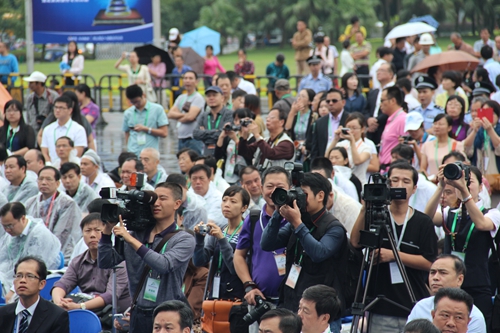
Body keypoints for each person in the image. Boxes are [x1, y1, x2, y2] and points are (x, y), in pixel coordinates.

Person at [350, 162, 438, 331]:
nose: (399, 185)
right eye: (394, 180)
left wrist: (392, 255)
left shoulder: (423, 221)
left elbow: (429, 262)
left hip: (412, 305)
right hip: (380, 305)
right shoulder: (375, 216)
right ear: (387, 185)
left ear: (414, 189)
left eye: (406, 181)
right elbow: (355, 242)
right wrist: (364, 208)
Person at [99, 182, 195, 333]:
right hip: (138, 312)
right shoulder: (137, 235)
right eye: (154, 199)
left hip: (168, 314)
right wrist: (106, 232)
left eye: (163, 198)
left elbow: (164, 264)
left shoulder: (184, 238)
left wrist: (130, 239)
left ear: (177, 203)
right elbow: (105, 262)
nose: (156, 203)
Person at [261, 172, 347, 316]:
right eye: (296, 193)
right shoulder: (298, 222)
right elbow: (267, 244)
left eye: (304, 194)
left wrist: (297, 223)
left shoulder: (334, 228)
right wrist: (277, 213)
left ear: (320, 196)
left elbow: (318, 253)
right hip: (290, 302)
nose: (299, 198)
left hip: (319, 311)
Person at [425, 164, 500, 326]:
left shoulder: (493, 213)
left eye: (469, 181)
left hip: (477, 285)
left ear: (481, 187)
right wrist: (441, 186)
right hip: (449, 285)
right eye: (461, 180)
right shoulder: (450, 213)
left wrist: (464, 194)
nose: (464, 184)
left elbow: (481, 224)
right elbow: (426, 219)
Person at [233, 166, 289, 333]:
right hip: (259, 301)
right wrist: (249, 286)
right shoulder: (254, 218)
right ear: (262, 188)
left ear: (290, 189)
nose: (274, 191)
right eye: (269, 186)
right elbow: (238, 256)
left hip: (291, 303)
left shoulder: (298, 218)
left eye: (280, 187)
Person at [51, 213, 131, 312]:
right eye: (88, 231)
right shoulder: (78, 261)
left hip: (111, 314)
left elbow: (110, 296)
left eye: (98, 230)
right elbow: (62, 284)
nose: (92, 235)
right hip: (86, 309)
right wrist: (59, 302)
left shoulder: (118, 262)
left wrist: (80, 307)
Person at [193, 185, 249, 301]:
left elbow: (235, 269)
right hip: (215, 293)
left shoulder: (247, 233)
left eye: (233, 201)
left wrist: (222, 239)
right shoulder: (221, 229)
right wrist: (199, 239)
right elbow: (199, 261)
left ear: (244, 208)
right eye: (224, 200)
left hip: (237, 295)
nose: (227, 204)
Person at [407, 255, 487, 333]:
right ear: (433, 315)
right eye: (432, 272)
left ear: (459, 279)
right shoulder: (421, 306)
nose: (435, 277)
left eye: (443, 273)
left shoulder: (475, 316)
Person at [0, 203, 61, 300]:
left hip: (28, 280)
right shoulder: (12, 234)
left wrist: (12, 291)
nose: (7, 230)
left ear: (23, 219)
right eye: (4, 226)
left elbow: (33, 269)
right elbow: (4, 258)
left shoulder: (40, 236)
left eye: (10, 226)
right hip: (9, 277)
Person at [24, 166, 82, 260]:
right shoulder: (30, 203)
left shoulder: (67, 203)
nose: (43, 182)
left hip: (60, 255)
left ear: (57, 183)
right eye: (41, 179)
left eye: (48, 179)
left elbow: (62, 235)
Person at [0, 256, 69, 333]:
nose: (22, 280)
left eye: (30, 276)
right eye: (19, 276)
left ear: (41, 284)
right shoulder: (2, 314)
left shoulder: (56, 316)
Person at [310, 157, 362, 234]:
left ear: (330, 195)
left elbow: (353, 242)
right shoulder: (310, 201)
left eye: (321, 197)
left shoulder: (349, 207)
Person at [122, 84, 169, 156]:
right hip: (133, 153)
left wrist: (146, 129)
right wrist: (128, 149)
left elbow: (164, 133)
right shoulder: (128, 113)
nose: (135, 104)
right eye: (132, 102)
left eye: (137, 101)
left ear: (143, 95)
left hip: (150, 155)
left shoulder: (157, 109)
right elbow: (127, 133)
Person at [327, 112, 371, 184]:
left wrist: (352, 141)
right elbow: (327, 157)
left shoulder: (366, 147)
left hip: (359, 184)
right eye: (348, 128)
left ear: (362, 129)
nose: (351, 131)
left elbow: (357, 161)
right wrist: (335, 139)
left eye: (354, 128)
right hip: (341, 182)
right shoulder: (341, 144)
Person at [40, 95, 87, 163]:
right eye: (56, 107)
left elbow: (77, 153)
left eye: (61, 108)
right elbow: (45, 152)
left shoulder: (79, 129)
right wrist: (50, 165)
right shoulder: (48, 129)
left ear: (70, 110)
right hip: (52, 166)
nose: (57, 110)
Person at [168, 70, 205, 154]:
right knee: (182, 164)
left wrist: (178, 116)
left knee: (195, 164)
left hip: (193, 139)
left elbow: (190, 117)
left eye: (190, 78)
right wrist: (184, 115)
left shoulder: (197, 98)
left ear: (196, 82)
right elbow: (170, 114)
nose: (187, 81)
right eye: (185, 78)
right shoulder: (181, 97)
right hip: (181, 138)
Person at [214, 108, 254, 184]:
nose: (238, 123)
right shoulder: (231, 136)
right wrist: (221, 137)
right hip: (227, 177)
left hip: (244, 178)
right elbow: (218, 156)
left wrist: (236, 139)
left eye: (241, 120)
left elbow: (247, 155)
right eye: (235, 120)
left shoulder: (252, 138)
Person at [193, 86, 233, 155]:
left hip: (224, 152)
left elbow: (226, 134)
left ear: (222, 98)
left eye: (214, 95)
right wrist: (217, 132)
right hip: (207, 153)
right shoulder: (203, 115)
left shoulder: (229, 114)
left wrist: (204, 132)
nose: (211, 98)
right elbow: (196, 134)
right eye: (208, 96)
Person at [464, 100, 500, 177]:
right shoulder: (476, 130)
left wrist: (490, 130)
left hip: (496, 174)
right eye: (484, 112)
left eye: (491, 113)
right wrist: (474, 131)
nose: (487, 116)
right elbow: (467, 150)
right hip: (479, 172)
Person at [363, 62, 396, 146]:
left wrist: (376, 121)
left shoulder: (395, 91)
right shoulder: (374, 92)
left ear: (390, 74)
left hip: (386, 127)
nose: (378, 73)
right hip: (371, 130)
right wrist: (368, 120)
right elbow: (366, 109)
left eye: (382, 70)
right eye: (377, 71)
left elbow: (392, 109)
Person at [310, 88, 349, 159]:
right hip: (324, 163)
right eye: (328, 101)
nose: (331, 103)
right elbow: (315, 150)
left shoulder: (349, 120)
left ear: (343, 102)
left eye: (334, 101)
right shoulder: (320, 122)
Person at [376, 86, 408, 168]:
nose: (380, 104)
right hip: (384, 169)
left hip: (394, 169)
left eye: (382, 100)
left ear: (393, 101)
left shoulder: (403, 119)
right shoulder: (392, 118)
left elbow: (405, 149)